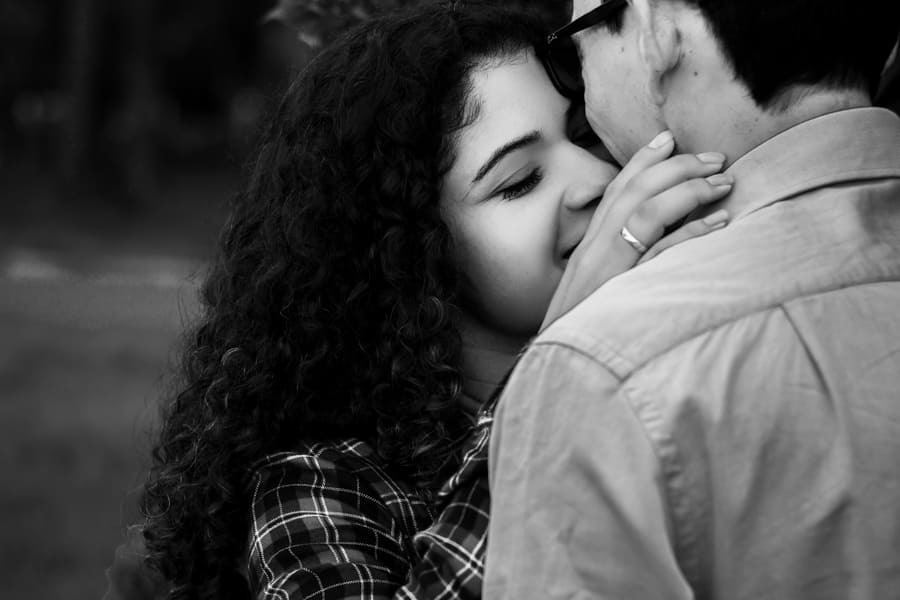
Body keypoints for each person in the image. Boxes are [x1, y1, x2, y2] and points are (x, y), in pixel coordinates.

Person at [105, 2, 734, 599]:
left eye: (583, 135)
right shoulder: (324, 486)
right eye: (520, 182)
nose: (596, 182)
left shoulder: (672, 383)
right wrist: (559, 375)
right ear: (413, 255)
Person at [483, 0, 900, 598]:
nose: (596, 182)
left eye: (576, 50)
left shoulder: (602, 368)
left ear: (657, 32)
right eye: (521, 180)